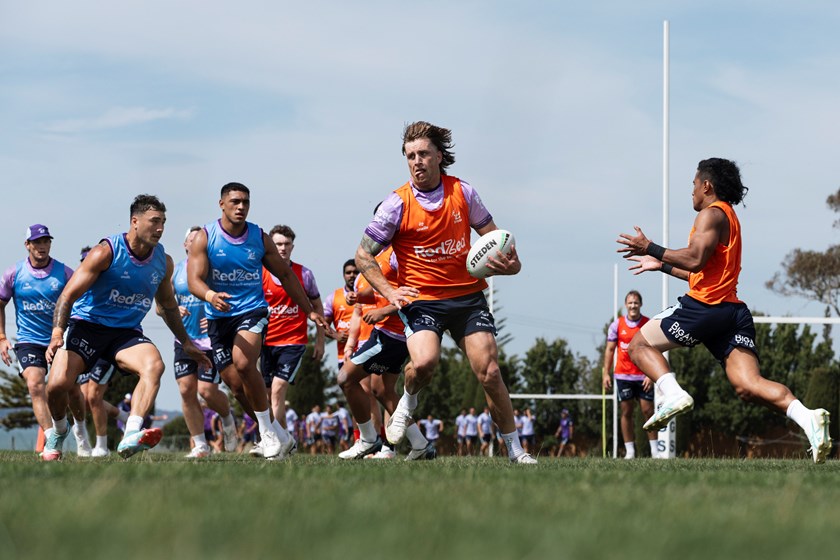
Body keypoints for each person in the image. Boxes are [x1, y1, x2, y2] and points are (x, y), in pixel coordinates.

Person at [617, 157, 832, 463]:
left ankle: (673, 392)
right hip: (731, 314)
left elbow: (694, 259)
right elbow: (701, 271)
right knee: (748, 386)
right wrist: (661, 265)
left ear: (707, 186)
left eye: (693, 184)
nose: (691, 191)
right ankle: (808, 417)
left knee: (637, 344)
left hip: (705, 309)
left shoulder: (711, 214)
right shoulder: (728, 217)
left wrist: (650, 247)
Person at [355, 121, 536, 464]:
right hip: (423, 300)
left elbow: (499, 243)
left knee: (490, 372)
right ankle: (408, 401)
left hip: (468, 298)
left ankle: (515, 450)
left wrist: (512, 265)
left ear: (439, 156)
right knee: (424, 363)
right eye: (410, 156)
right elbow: (363, 256)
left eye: (423, 154)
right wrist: (391, 292)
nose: (416, 161)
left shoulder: (464, 193)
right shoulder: (396, 204)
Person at [42, 195, 211, 460]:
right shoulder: (105, 252)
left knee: (155, 365)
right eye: (154, 221)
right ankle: (59, 430)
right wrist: (56, 332)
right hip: (87, 326)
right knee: (56, 386)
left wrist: (187, 342)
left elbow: (167, 306)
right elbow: (67, 296)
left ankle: (131, 433)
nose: (160, 228)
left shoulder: (162, 262)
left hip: (125, 333)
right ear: (135, 222)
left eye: (163, 222)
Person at [187, 182, 330, 460]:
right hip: (218, 317)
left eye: (245, 202)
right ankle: (280, 434)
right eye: (235, 202)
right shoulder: (206, 237)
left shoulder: (259, 238)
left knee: (243, 363)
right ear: (222, 204)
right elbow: (194, 280)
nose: (241, 207)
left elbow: (287, 276)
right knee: (237, 387)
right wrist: (210, 294)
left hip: (251, 310)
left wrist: (309, 310)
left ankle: (267, 436)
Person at [336, 243, 435, 461]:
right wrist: (360, 297)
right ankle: (420, 445)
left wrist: (383, 312)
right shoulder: (380, 255)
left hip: (390, 335)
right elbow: (384, 289)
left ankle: (369, 440)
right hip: (392, 335)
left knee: (345, 378)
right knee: (382, 390)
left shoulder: (399, 254)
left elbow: (416, 293)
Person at [0, 225, 91, 456]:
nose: (42, 246)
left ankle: (81, 432)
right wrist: (2, 337)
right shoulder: (14, 273)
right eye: (37, 242)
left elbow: (82, 300)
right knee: (34, 384)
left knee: (69, 388)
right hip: (29, 340)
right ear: (27, 245)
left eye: (46, 242)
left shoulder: (64, 272)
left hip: (61, 338)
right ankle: (52, 438)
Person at [169, 226, 239, 459]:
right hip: (184, 339)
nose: (196, 242)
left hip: (210, 339)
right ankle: (200, 445)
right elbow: (162, 303)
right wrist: (173, 309)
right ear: (186, 245)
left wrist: (214, 316)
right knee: (186, 390)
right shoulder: (176, 271)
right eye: (192, 239)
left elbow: (228, 298)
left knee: (207, 391)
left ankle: (228, 418)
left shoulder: (214, 270)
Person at [261, 224, 325, 449]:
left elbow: (317, 307)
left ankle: (276, 442)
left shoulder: (304, 274)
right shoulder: (260, 273)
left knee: (278, 390)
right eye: (278, 244)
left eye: (287, 244)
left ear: (293, 246)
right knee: (266, 394)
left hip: (294, 341)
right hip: (265, 342)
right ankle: (280, 438)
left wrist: (319, 340)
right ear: (270, 245)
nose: (283, 248)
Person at [603, 290, 658, 459]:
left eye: (636, 302)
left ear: (641, 304)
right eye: (630, 302)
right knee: (626, 412)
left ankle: (655, 452)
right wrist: (606, 373)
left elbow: (655, 349)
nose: (633, 305)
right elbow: (610, 350)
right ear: (626, 305)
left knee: (647, 410)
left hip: (643, 376)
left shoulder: (648, 324)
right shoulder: (617, 325)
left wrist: (651, 374)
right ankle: (630, 451)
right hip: (623, 376)